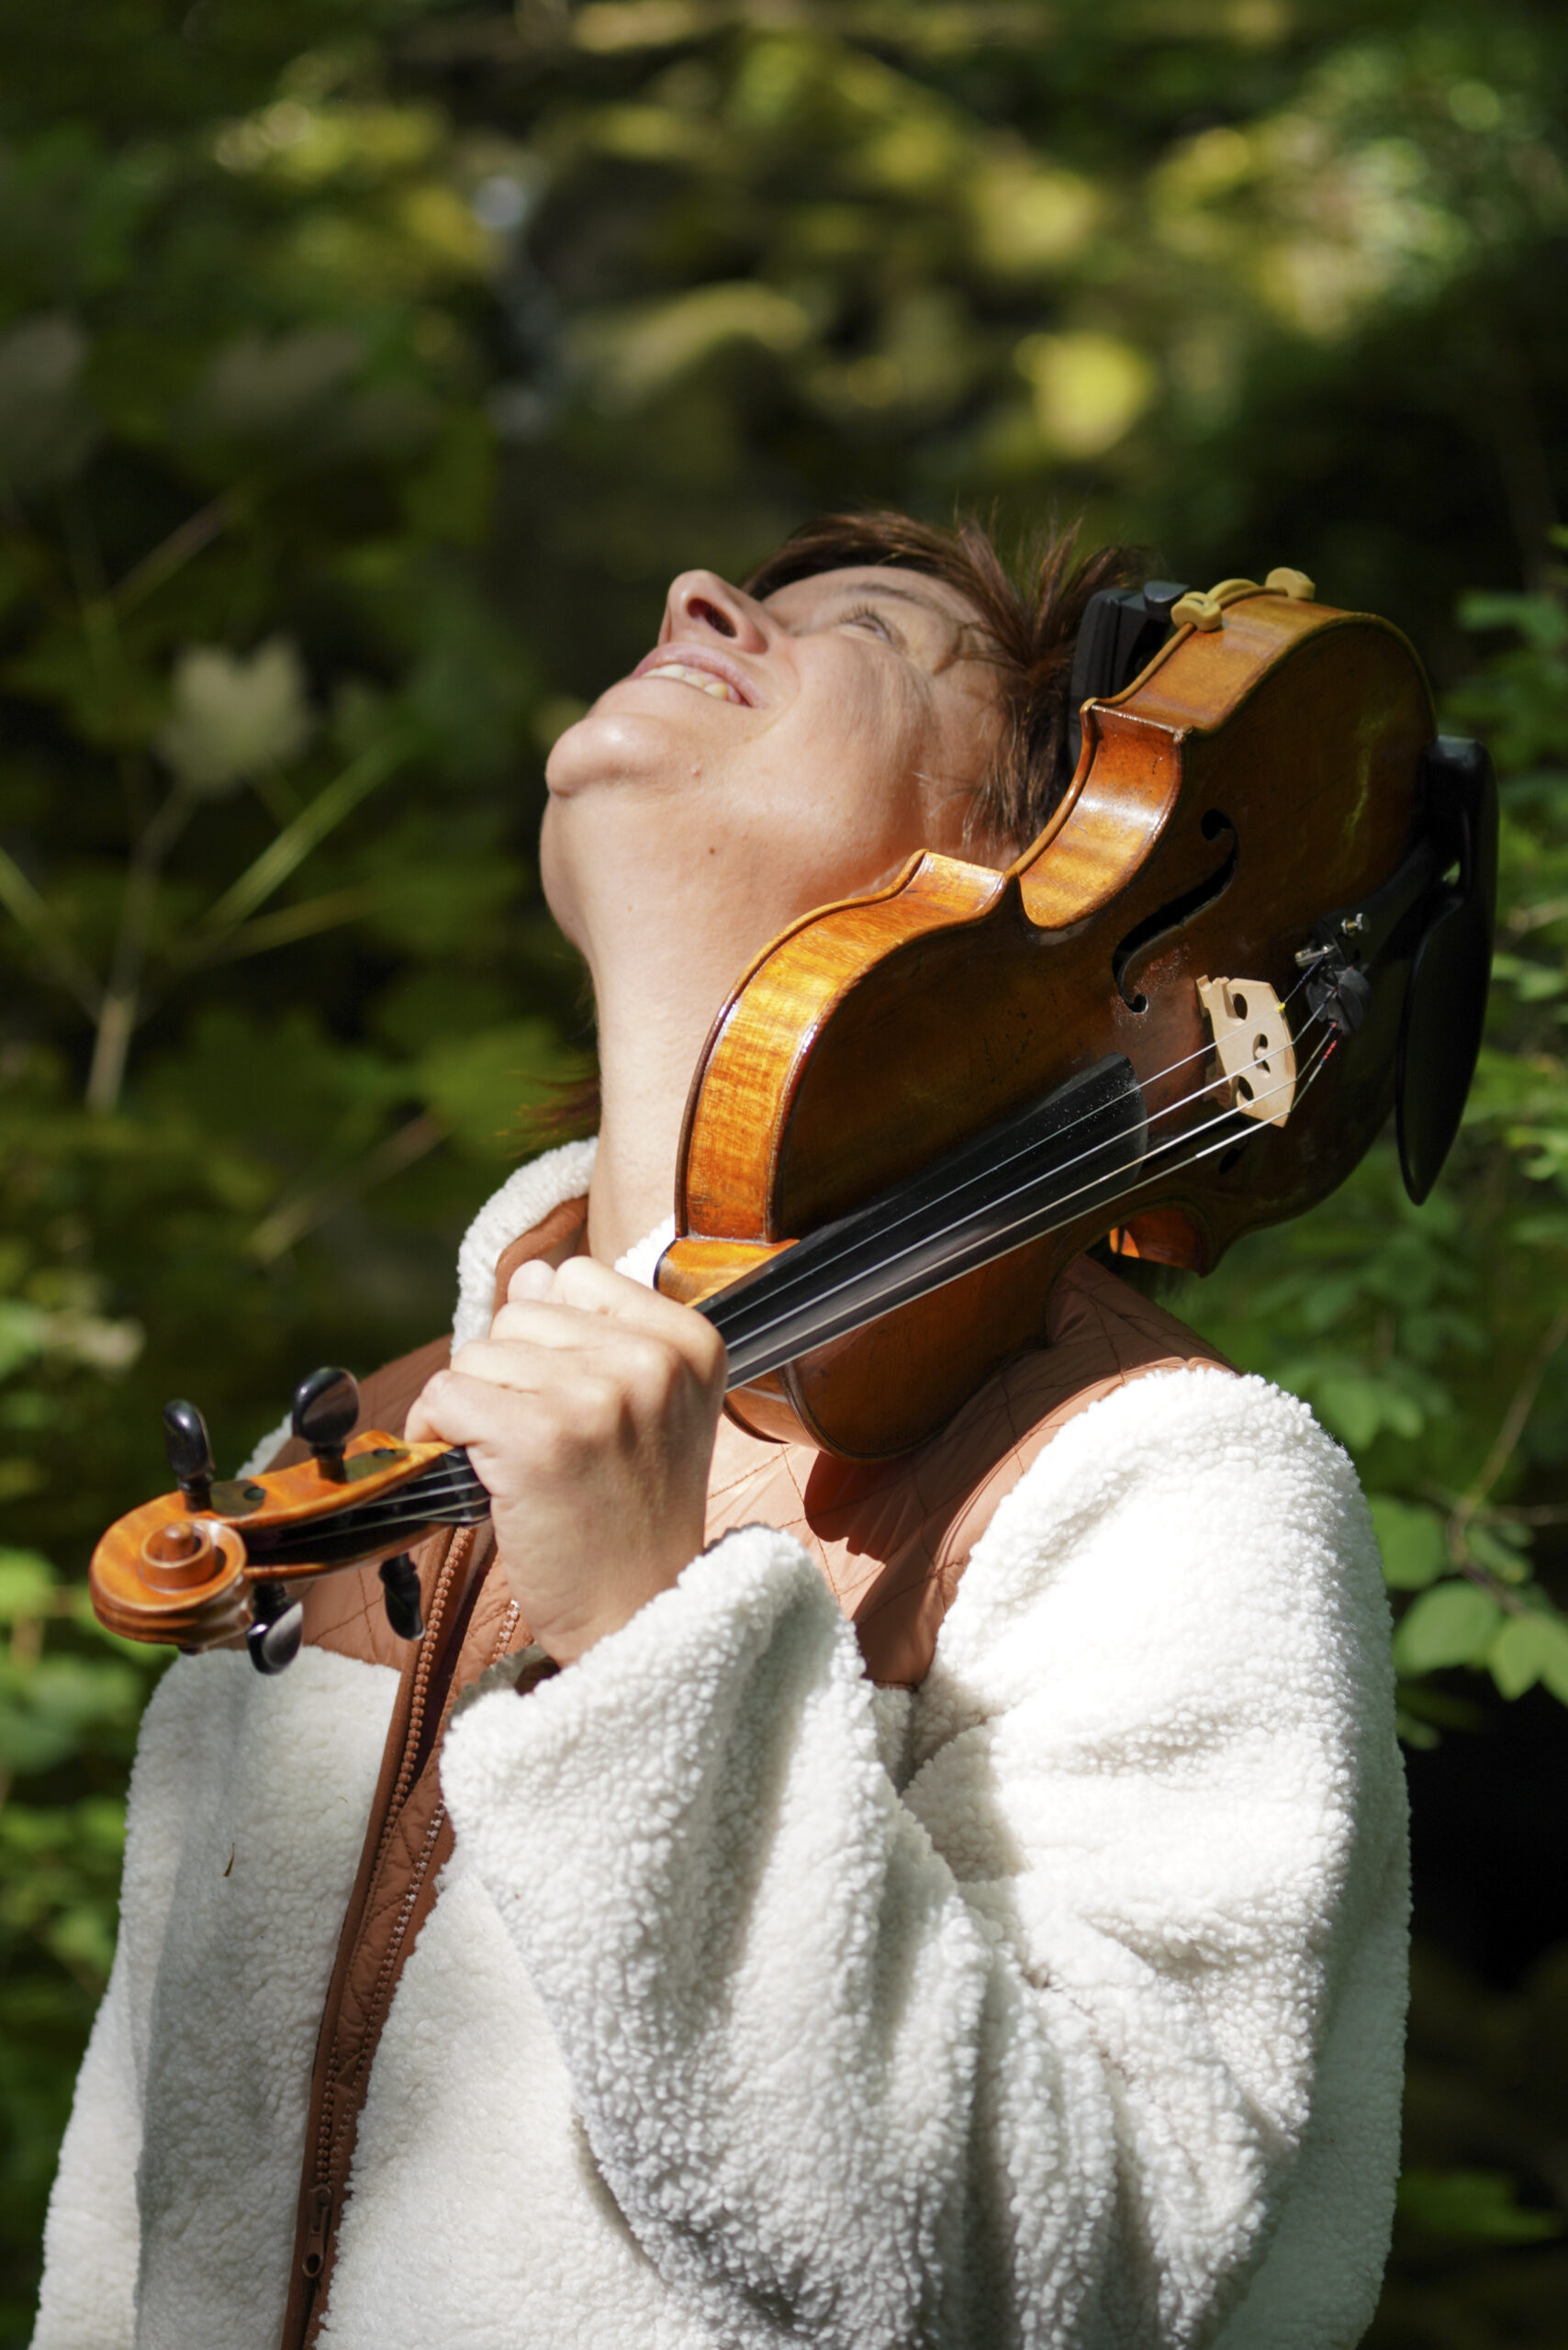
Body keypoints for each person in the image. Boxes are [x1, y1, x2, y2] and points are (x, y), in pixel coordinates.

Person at [33, 514, 1408, 2350]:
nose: (695, 599)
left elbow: (1069, 2284)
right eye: (737, 594)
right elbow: (130, 2253)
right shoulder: (365, 1450)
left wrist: (650, 1643)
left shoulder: (1150, 1481)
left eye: (868, 630)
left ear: (1026, 875)